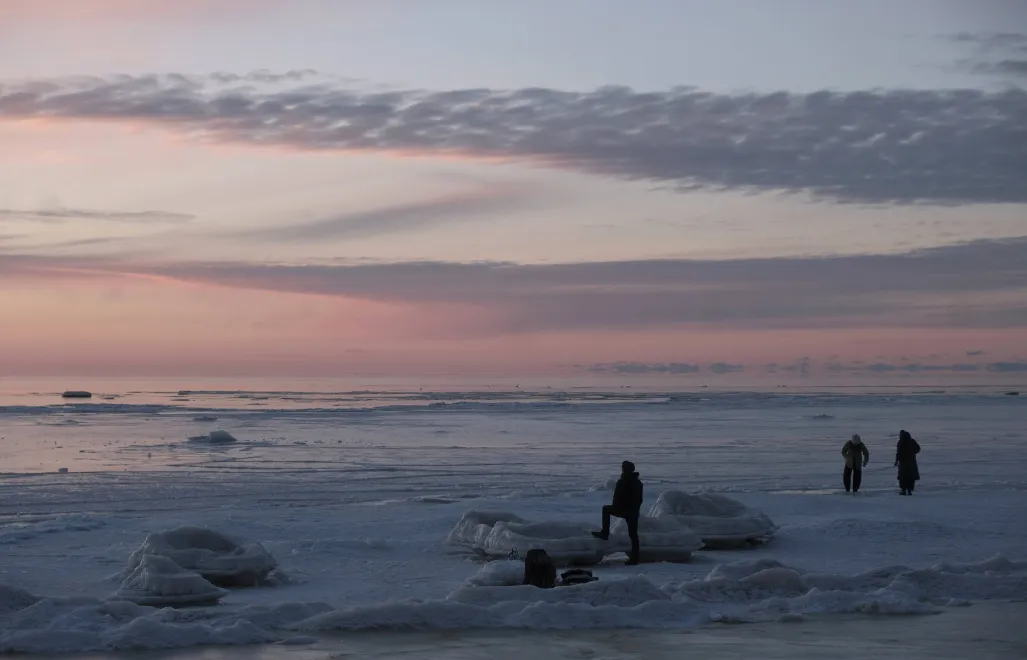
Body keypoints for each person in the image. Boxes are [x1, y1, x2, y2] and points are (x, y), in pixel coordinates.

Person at [592, 461, 644, 565]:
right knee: (633, 535)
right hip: (633, 512)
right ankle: (635, 558)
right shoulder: (638, 482)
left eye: (623, 468)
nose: (622, 469)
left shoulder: (622, 481)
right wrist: (635, 509)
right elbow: (640, 499)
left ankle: (605, 533)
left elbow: (617, 498)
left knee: (606, 509)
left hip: (623, 509)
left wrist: (617, 507)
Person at [895, 429, 921, 495]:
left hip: (903, 462)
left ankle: (903, 490)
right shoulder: (912, 441)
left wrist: (896, 461)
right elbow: (918, 449)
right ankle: (909, 490)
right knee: (911, 476)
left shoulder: (901, 442)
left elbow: (898, 453)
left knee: (903, 477)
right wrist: (912, 452)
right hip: (911, 462)